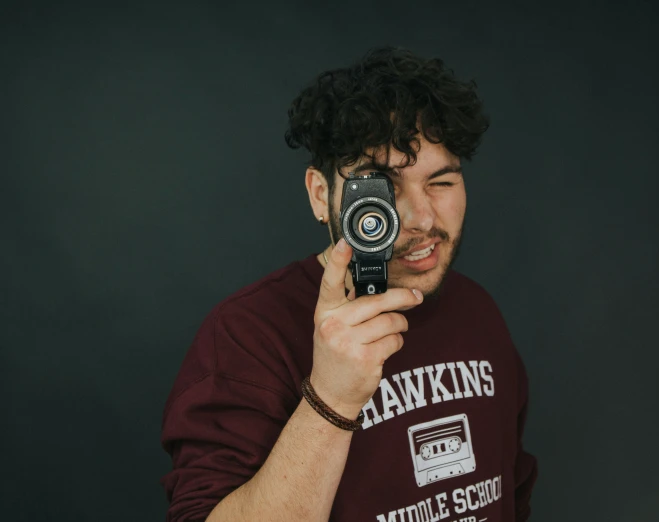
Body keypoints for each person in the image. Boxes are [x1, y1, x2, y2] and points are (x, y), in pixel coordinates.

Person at [160, 46, 538, 522]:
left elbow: (510, 496)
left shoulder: (477, 311)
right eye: (381, 187)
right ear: (322, 195)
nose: (421, 218)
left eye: (441, 182)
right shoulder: (247, 335)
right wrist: (331, 399)